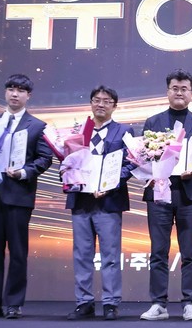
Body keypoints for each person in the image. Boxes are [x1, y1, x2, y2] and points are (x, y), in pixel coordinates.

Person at [139, 70, 192, 322]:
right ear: (168, 91)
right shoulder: (153, 122)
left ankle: (190, 303)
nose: (179, 92)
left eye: (184, 89)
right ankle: (158, 304)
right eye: (175, 88)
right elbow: (142, 154)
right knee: (158, 251)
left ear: (191, 93)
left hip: (189, 194)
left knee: (189, 252)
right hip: (159, 194)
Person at [0, 74, 53, 319]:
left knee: (17, 252)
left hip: (18, 194)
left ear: (28, 96)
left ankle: (14, 303)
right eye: (11, 89)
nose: (15, 94)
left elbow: (44, 159)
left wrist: (23, 172)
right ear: (5, 92)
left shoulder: (37, 126)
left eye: (20, 90)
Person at [66, 86, 134, 321]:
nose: (101, 104)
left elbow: (131, 163)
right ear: (91, 103)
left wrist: (110, 183)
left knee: (110, 255)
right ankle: (84, 302)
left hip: (109, 201)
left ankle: (110, 303)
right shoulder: (77, 132)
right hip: (81, 200)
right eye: (96, 100)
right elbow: (67, 162)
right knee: (82, 254)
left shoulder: (124, 131)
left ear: (115, 105)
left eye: (106, 101)